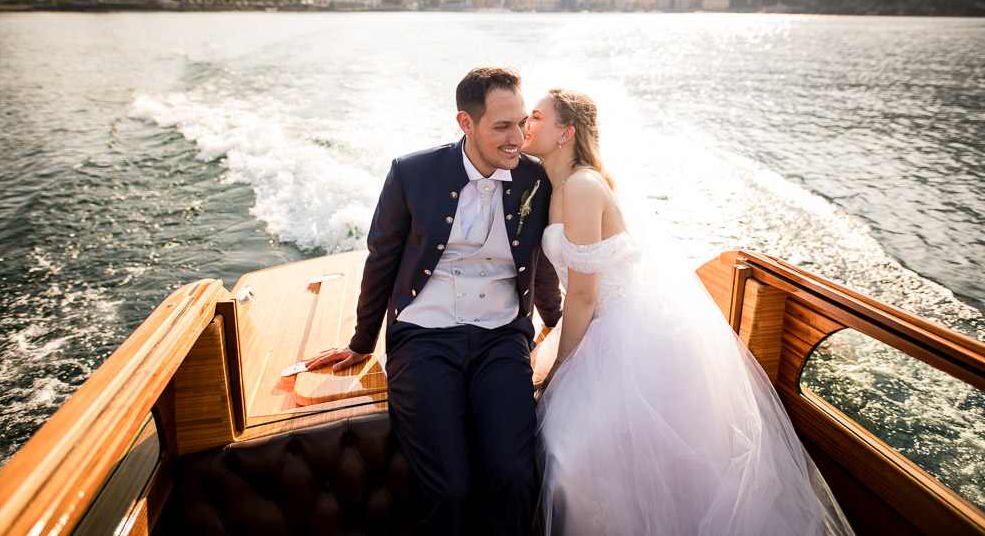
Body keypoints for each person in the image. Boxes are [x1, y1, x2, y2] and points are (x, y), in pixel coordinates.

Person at [522, 88, 855, 535]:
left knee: (572, 460)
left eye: (536, 116)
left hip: (626, 335)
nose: (526, 123)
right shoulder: (556, 185)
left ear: (566, 133)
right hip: (595, 325)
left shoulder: (582, 186)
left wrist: (560, 368)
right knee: (573, 455)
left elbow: (583, 295)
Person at [305, 67, 562, 535]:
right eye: (502, 126)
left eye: (523, 122)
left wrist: (555, 317)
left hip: (502, 338)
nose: (518, 137)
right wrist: (362, 341)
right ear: (466, 123)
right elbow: (382, 259)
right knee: (450, 489)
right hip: (423, 337)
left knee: (513, 476)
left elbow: (539, 257)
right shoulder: (411, 173)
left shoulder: (536, 178)